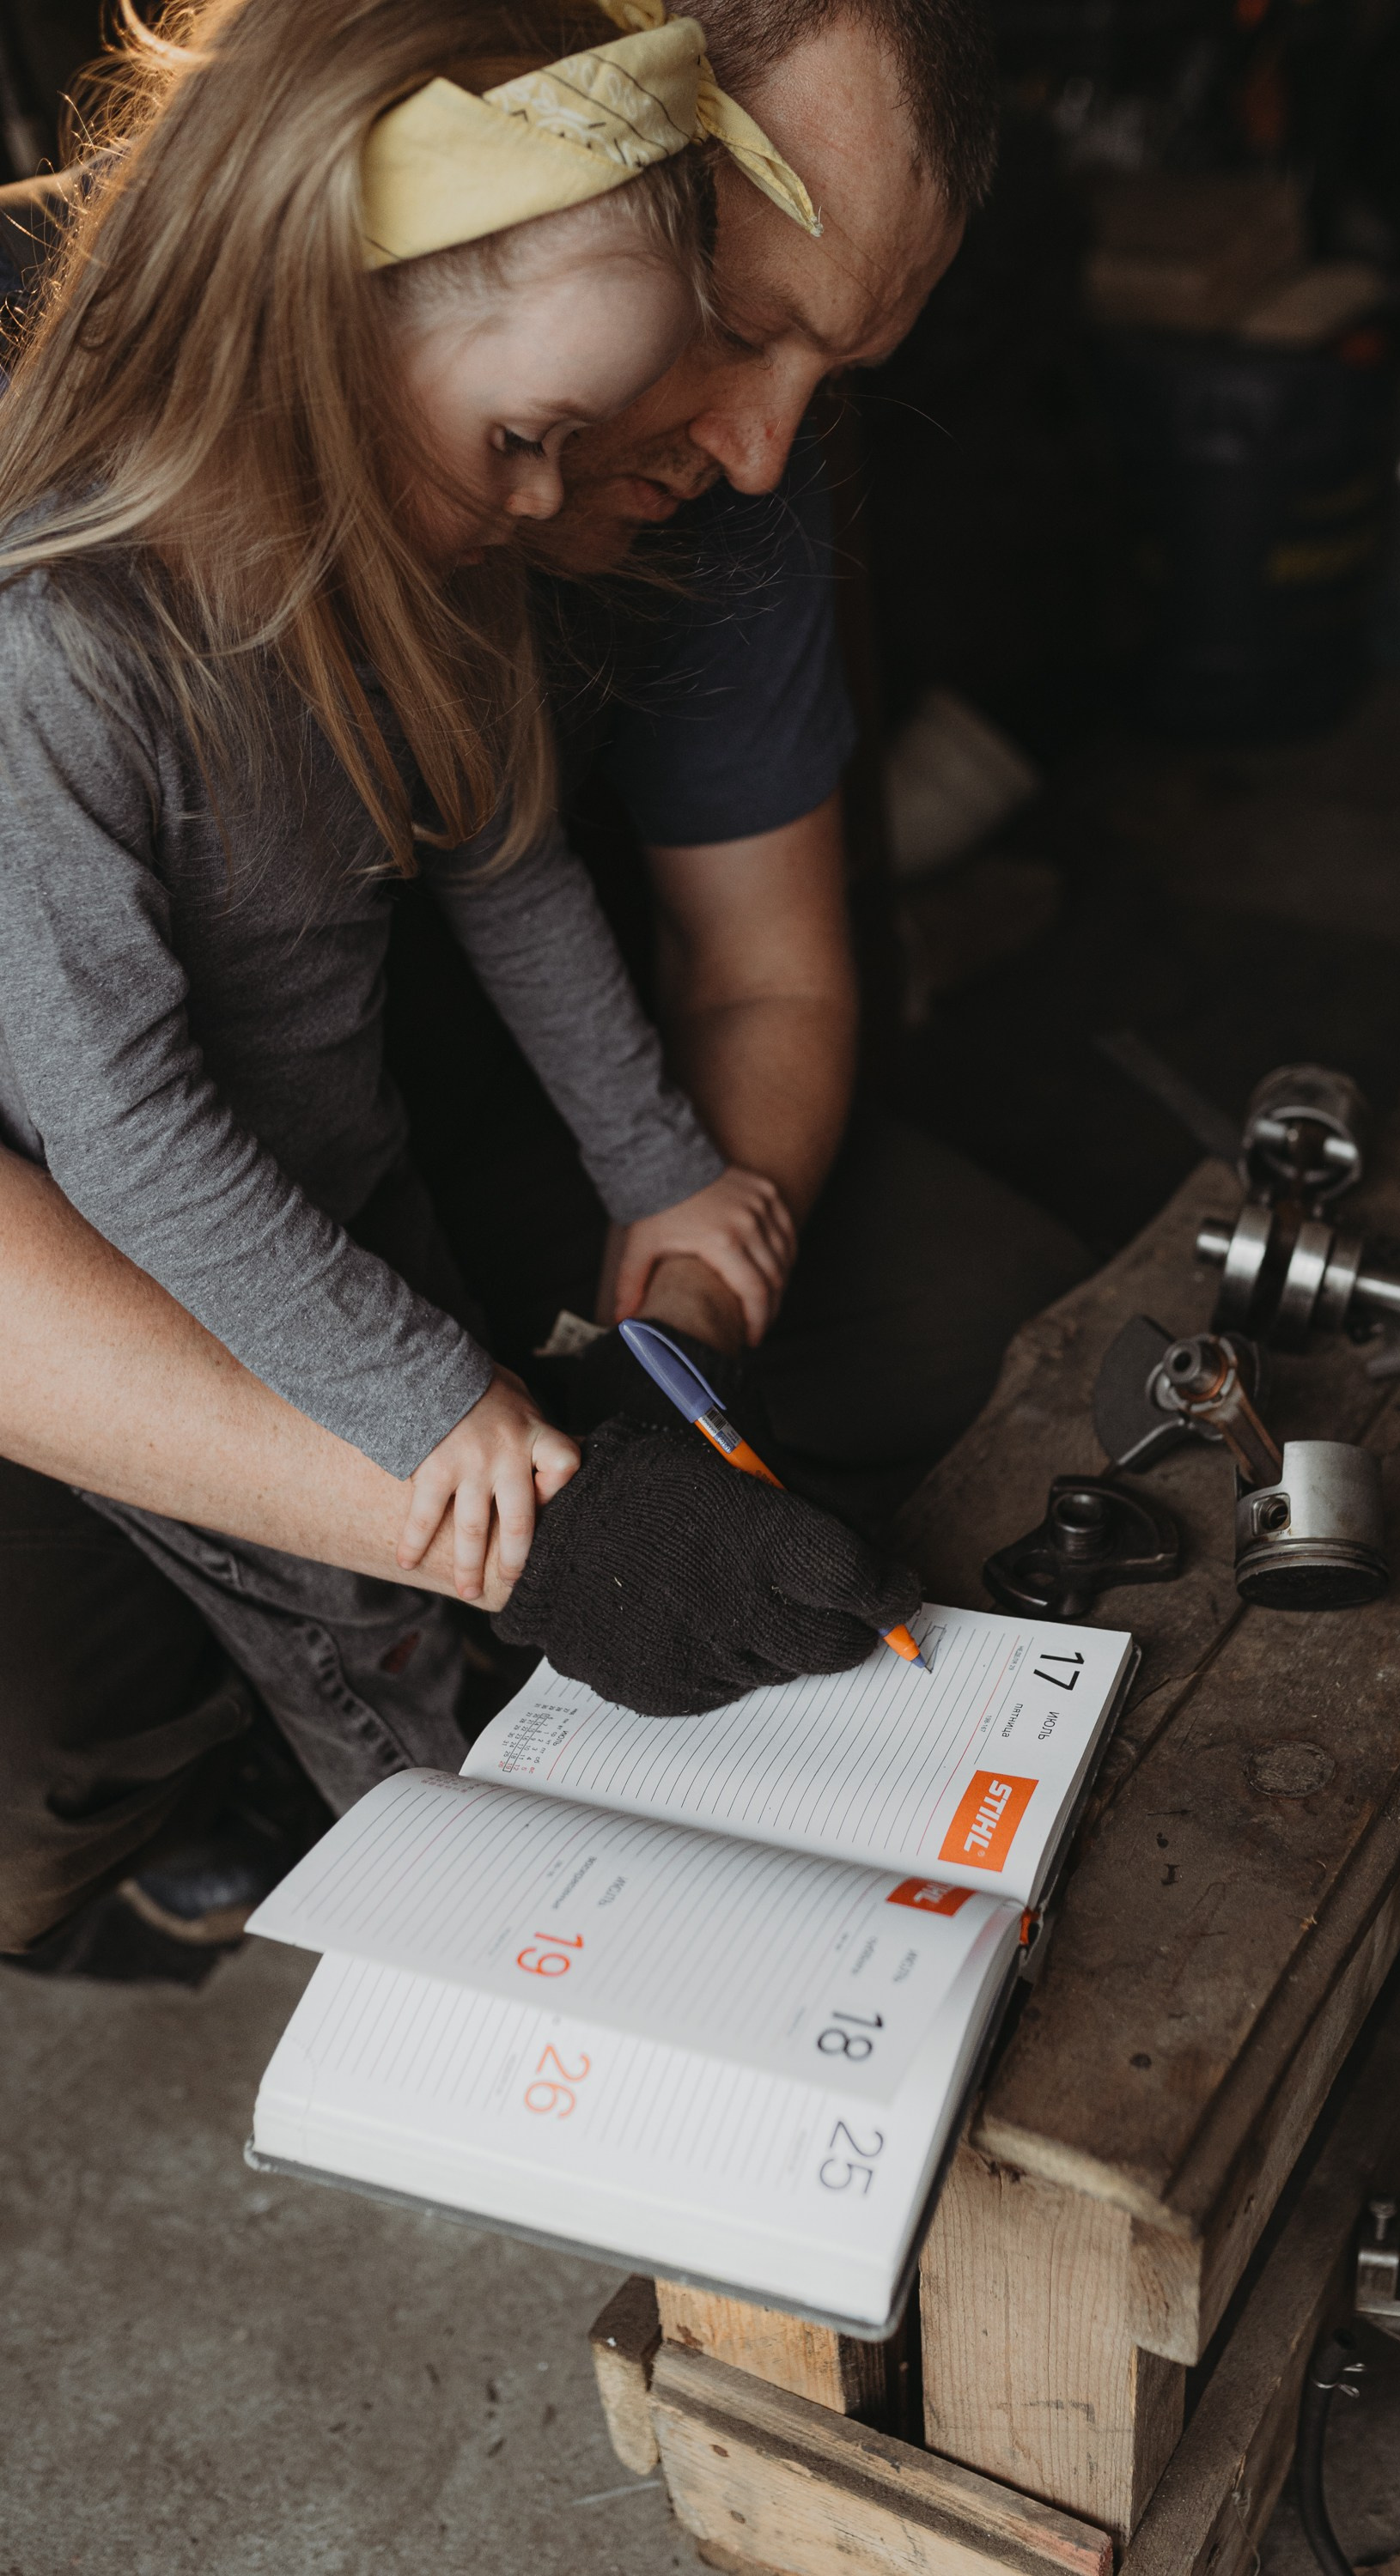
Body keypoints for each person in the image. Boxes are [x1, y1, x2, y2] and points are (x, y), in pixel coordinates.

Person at [0, 0, 923, 1955]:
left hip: (364, 1180)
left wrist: (662, 1175)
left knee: (497, 1552)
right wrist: (438, 1428)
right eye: (527, 441)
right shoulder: (64, 672)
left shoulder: (418, 557)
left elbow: (510, 878)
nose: (539, 499)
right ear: (319, 328)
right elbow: (126, 1136)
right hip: (165, 1280)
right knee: (366, 1635)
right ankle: (477, 1932)